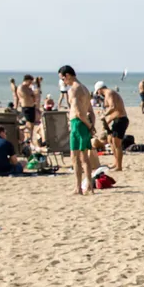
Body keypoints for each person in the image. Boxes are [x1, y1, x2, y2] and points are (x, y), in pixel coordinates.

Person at [60, 65, 96, 195]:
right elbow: (91, 112)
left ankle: (78, 188)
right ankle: (90, 186)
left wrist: (88, 125)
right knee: (84, 157)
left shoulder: (73, 90)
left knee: (75, 157)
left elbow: (79, 112)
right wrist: (91, 125)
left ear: (68, 75)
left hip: (78, 123)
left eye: (63, 79)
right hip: (84, 124)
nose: (63, 82)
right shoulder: (85, 89)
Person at [94, 82, 129, 172]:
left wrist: (104, 115)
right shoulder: (108, 94)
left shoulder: (109, 93)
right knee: (110, 140)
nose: (98, 94)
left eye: (98, 92)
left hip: (121, 120)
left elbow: (113, 107)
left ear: (99, 89)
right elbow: (113, 109)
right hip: (116, 120)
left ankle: (119, 166)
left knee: (117, 144)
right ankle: (115, 163)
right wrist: (107, 120)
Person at [11, 75, 38, 143]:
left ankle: (30, 139)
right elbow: (26, 96)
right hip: (26, 107)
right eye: (30, 82)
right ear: (26, 80)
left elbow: (34, 97)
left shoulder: (29, 88)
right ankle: (26, 138)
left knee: (32, 125)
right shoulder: (21, 87)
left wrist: (33, 95)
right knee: (28, 124)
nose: (30, 83)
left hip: (32, 107)